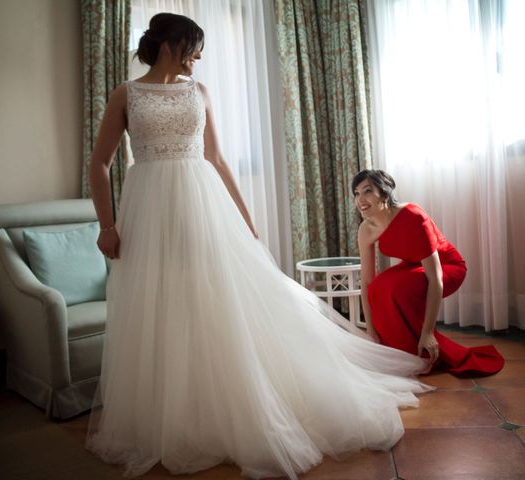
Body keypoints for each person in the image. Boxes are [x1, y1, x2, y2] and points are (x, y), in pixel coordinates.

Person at [86, 13, 433, 479]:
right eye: (195, 46)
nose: (200, 56)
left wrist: (245, 221)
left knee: (213, 300)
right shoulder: (126, 95)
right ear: (172, 44)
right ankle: (176, 411)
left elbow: (217, 159)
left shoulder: (199, 92)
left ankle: (229, 399)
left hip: (202, 204)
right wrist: (106, 225)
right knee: (162, 303)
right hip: (147, 211)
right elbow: (100, 163)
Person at [353, 169, 505, 377]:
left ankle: (421, 349)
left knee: (396, 289)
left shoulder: (414, 217)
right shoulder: (366, 229)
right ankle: (396, 350)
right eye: (356, 193)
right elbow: (368, 281)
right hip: (414, 265)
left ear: (385, 195)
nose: (360, 199)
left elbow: (436, 278)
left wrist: (427, 332)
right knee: (380, 286)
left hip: (447, 267)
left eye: (368, 191)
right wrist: (371, 332)